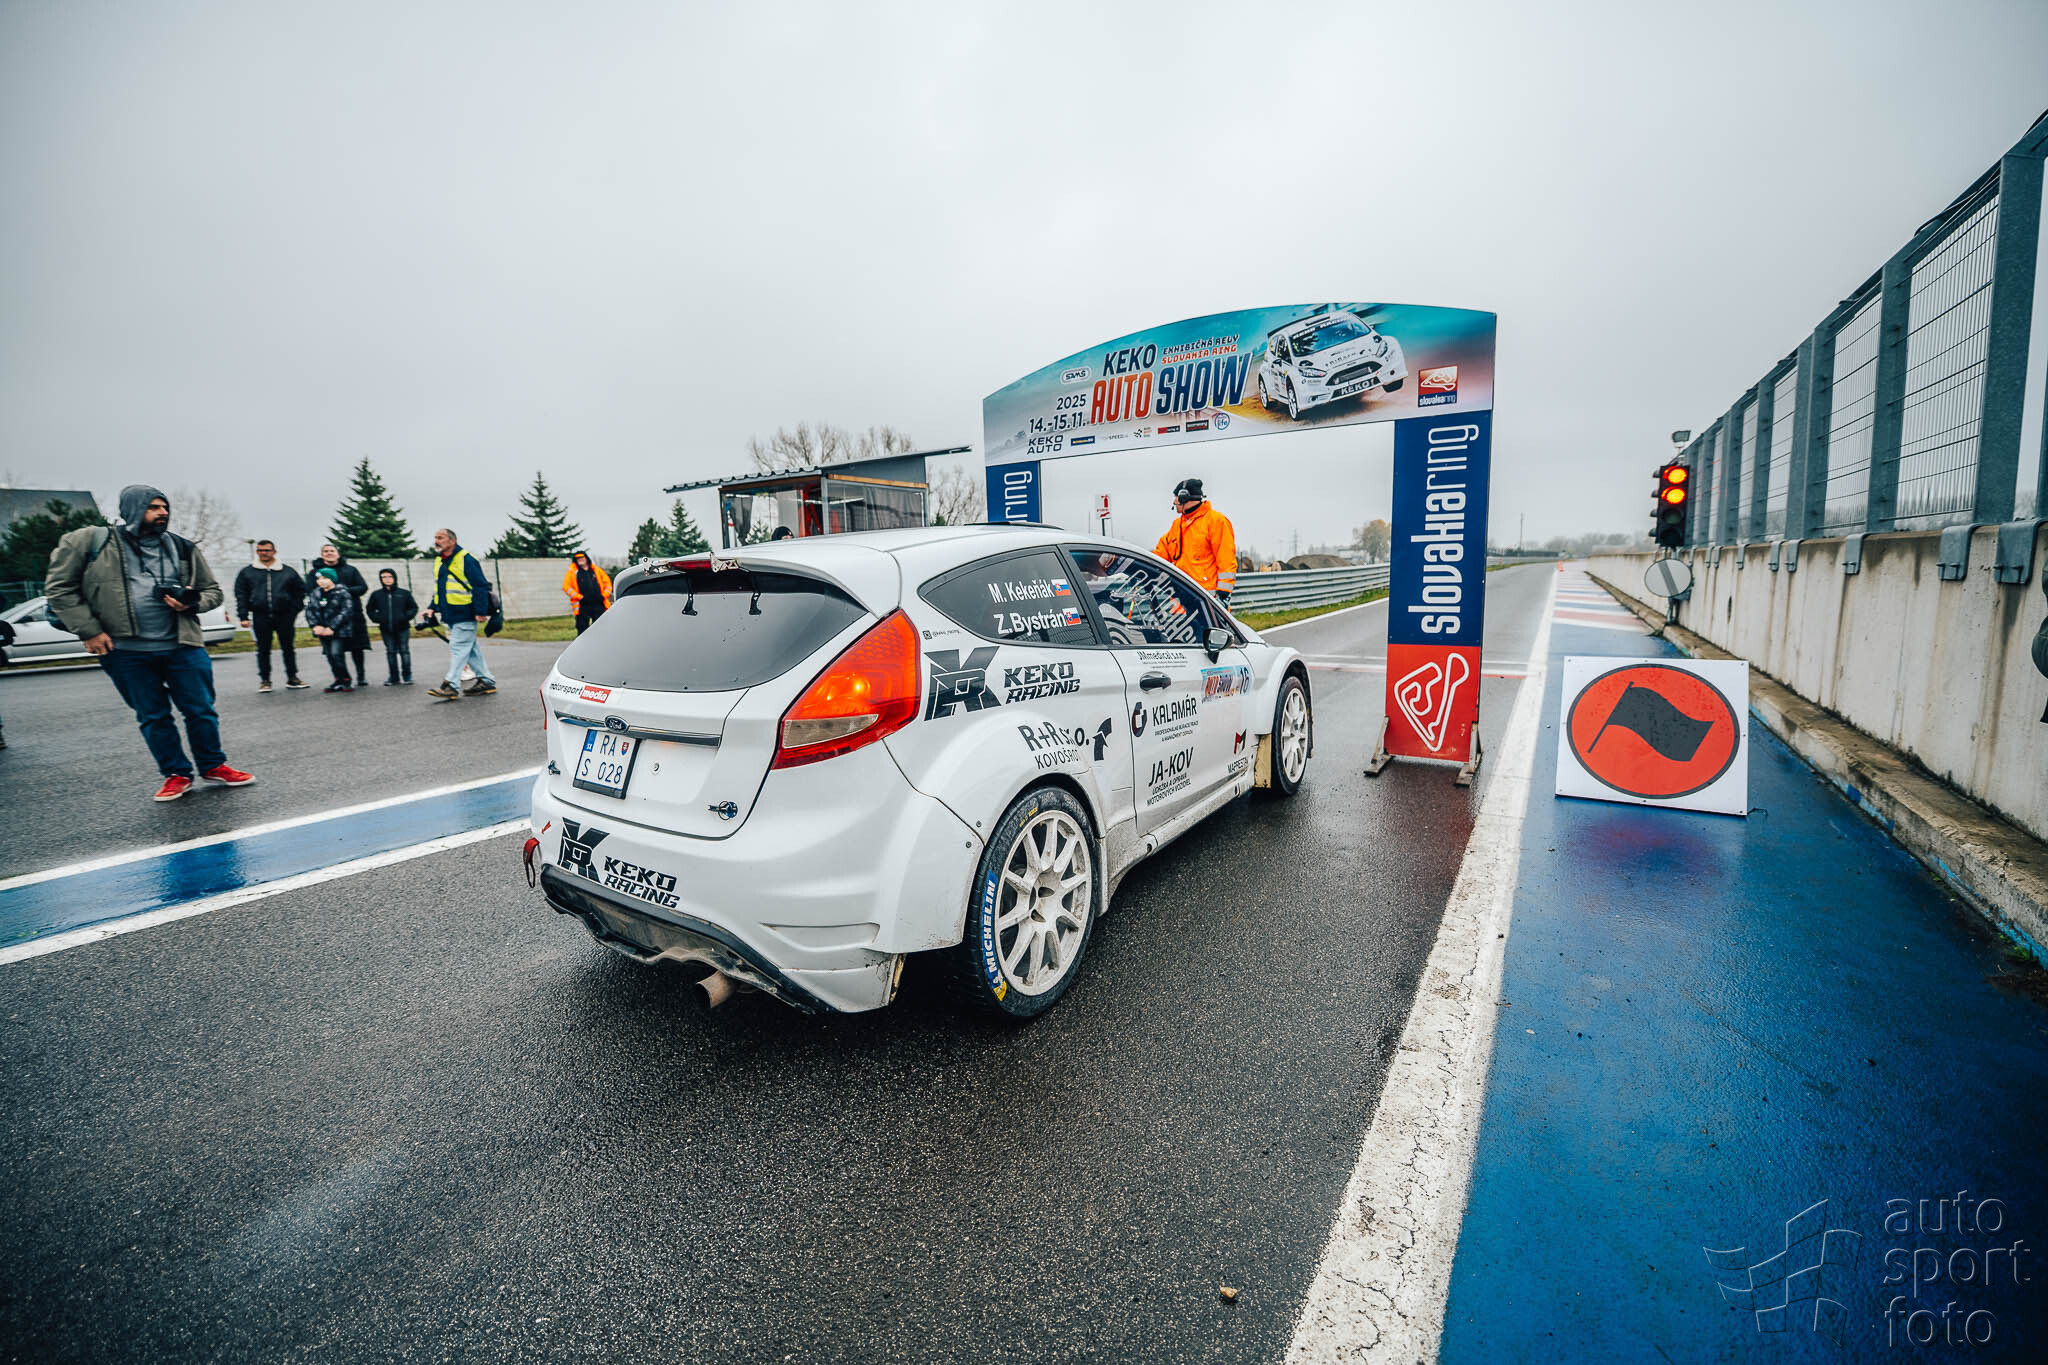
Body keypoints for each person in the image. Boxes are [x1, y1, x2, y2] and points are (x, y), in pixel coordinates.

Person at [44, 485, 255, 801]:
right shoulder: (90, 542)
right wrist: (89, 630)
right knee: (153, 716)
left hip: (183, 646)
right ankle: (176, 774)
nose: (162, 513)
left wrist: (192, 602)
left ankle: (213, 765)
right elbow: (60, 590)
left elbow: (212, 591)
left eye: (164, 507)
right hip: (125, 651)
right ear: (132, 509)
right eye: (153, 507)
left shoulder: (182, 547)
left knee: (201, 710)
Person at [422, 527, 497, 701]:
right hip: (450, 613)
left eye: (440, 538)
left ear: (452, 541)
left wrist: (480, 611)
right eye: (435, 538)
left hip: (466, 612)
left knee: (458, 647)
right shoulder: (439, 561)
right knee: (470, 650)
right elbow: (440, 589)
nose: (436, 541)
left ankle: (451, 685)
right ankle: (487, 681)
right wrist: (432, 607)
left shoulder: (466, 559)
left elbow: (480, 586)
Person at [233, 538, 307, 692]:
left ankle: (292, 678)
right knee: (263, 649)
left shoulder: (287, 572)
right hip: (261, 615)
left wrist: (293, 610)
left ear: (274, 551)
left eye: (267, 550)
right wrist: (243, 616)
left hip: (284, 616)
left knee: (288, 647)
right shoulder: (247, 572)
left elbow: (300, 592)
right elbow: (241, 595)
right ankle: (265, 680)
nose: (263, 553)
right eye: (260, 550)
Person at [1155, 477, 1238, 606]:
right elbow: (1160, 554)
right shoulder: (1177, 525)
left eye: (1176, 497)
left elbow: (1226, 561)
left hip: (1207, 602)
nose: (1174, 501)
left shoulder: (1216, 521)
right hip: (1180, 603)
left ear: (1184, 498)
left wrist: (1223, 595)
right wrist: (1139, 568)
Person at [311, 543, 371, 686]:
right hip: (327, 618)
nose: (329, 553)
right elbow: (310, 590)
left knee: (357, 647)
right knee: (334, 651)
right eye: (325, 551)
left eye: (332, 550)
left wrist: (341, 592)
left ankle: (361, 676)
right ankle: (340, 677)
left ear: (338, 554)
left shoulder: (350, 570)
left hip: (352, 614)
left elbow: (362, 587)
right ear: (322, 555)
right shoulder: (316, 572)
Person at [303, 566, 359, 692]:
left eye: (324, 578)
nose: (321, 581)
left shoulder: (342, 593)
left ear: (332, 579)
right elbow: (310, 610)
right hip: (322, 631)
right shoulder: (315, 593)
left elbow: (346, 611)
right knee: (329, 656)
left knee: (336, 654)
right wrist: (315, 625)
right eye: (319, 579)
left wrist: (332, 627)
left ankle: (346, 680)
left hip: (338, 630)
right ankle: (337, 679)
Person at [365, 568, 417, 686]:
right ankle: (394, 677)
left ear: (394, 578)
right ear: (380, 579)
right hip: (386, 629)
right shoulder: (376, 595)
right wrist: (378, 618)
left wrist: (404, 617)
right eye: (384, 577)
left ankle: (407, 676)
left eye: (389, 576)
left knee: (404, 651)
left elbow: (413, 608)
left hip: (403, 628)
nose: (387, 579)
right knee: (391, 652)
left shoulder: (404, 593)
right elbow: (370, 609)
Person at [561, 551, 612, 634]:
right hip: (583, 605)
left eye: (582, 557)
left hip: (599, 603)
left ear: (586, 558)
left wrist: (604, 596)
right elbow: (566, 587)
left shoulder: (597, 570)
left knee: (601, 628)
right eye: (578, 558)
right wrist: (580, 597)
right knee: (582, 630)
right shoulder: (572, 572)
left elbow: (608, 584)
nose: (580, 560)